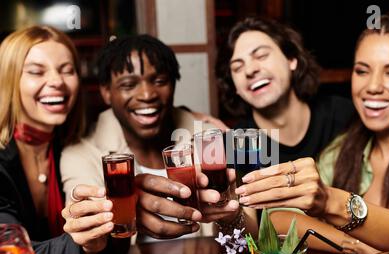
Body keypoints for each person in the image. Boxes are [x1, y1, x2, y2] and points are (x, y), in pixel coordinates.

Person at [235, 9, 389, 254]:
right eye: (362, 71)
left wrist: (332, 203)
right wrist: (356, 246)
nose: (372, 86)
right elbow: (277, 219)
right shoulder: (345, 147)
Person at [60, 35, 258, 242]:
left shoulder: (210, 140)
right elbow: (88, 240)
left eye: (160, 81)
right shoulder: (81, 154)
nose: (147, 94)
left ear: (173, 85)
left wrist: (231, 217)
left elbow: (251, 242)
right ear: (106, 92)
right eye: (128, 85)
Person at [216, 17, 389, 164]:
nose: (250, 70)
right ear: (234, 86)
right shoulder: (238, 143)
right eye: (237, 67)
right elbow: (244, 228)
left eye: (262, 55)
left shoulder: (344, 115)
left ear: (292, 60)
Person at [0, 26, 117, 254]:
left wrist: (190, 118)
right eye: (36, 71)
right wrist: (85, 245)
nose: (57, 81)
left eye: (67, 70)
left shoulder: (74, 144)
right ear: (8, 80)